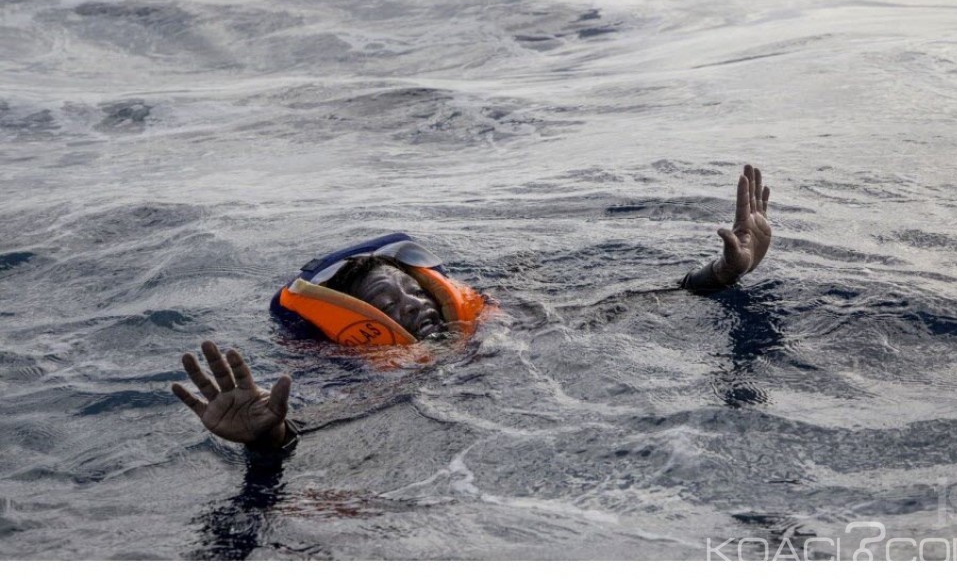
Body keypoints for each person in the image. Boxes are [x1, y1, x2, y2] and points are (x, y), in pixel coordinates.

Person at [172, 164, 772, 452]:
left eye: (411, 288)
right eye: (386, 301)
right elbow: (319, 427)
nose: (411, 302)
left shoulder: (504, 331)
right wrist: (267, 438)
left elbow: (624, 307)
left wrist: (720, 274)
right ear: (362, 328)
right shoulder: (384, 387)